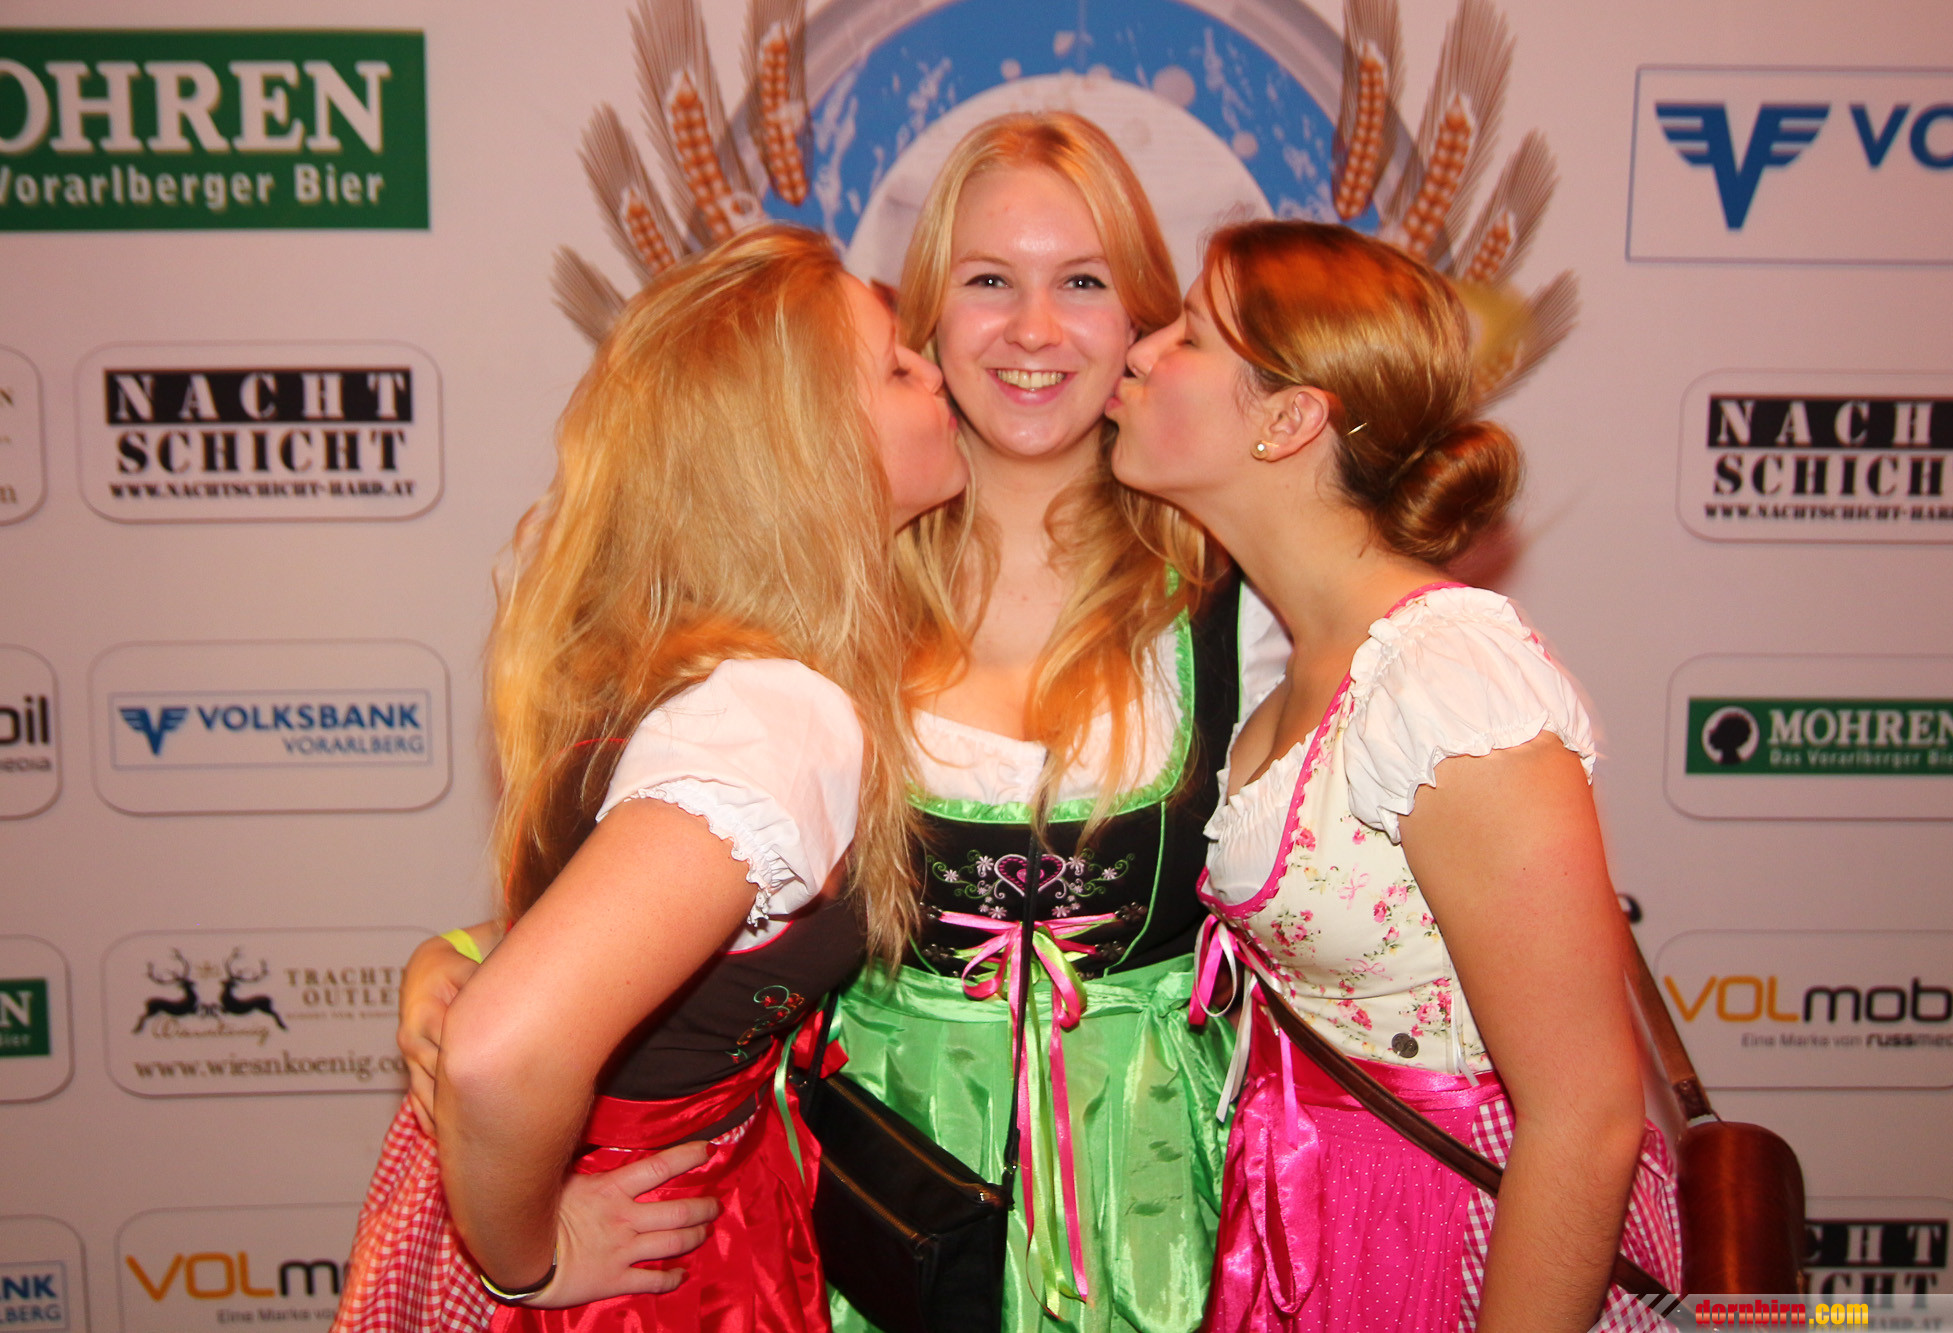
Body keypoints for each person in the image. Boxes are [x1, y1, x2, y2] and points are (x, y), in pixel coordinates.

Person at [395, 112, 1285, 1332]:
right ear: (924, 320)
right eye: (988, 281)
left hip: (1159, 1205)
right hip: (866, 1207)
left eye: (1081, 281)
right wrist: (466, 956)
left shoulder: (1240, 597)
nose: (1032, 329)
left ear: (1140, 315)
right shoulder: (816, 603)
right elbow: (669, 875)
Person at [339, 224, 965, 1332]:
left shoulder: (675, 656)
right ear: (808, 444)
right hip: (658, 1261)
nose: (939, 374)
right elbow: (501, 1053)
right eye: (896, 368)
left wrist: (464, 952)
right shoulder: (774, 715)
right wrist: (531, 1261)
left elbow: (616, 921)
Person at [1106, 220, 1680, 1332]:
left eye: (1188, 336)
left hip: (1455, 1232)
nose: (1139, 350)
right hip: (1322, 1221)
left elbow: (1587, 1116)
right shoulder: (1306, 660)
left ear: (1286, 419)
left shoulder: (1446, 679)